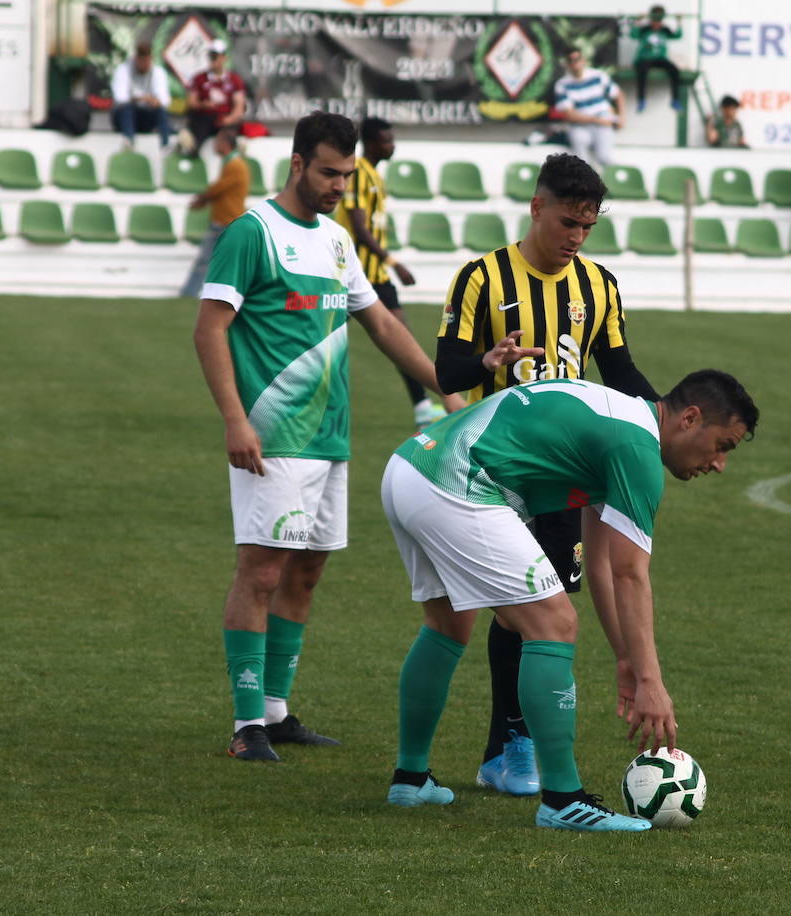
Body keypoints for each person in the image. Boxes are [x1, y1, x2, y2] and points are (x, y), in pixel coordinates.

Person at [192, 110, 464, 763]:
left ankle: (276, 712)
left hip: (330, 438)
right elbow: (209, 329)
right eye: (328, 172)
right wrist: (234, 419)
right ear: (297, 164)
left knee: (307, 571)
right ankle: (246, 724)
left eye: (346, 174)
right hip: (272, 437)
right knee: (261, 572)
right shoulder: (252, 232)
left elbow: (384, 325)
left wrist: (449, 390)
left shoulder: (339, 241)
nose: (339, 185)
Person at [381, 371, 759, 830]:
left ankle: (410, 779)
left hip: (409, 467)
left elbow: (600, 564)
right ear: (690, 418)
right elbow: (630, 573)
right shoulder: (636, 447)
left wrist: (626, 658)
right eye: (722, 446)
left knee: (447, 624)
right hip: (455, 482)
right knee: (554, 623)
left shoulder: (617, 421)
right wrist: (650, 681)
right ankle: (563, 800)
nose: (719, 464)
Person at [435, 152, 661, 798]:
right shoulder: (481, 278)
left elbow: (619, 371)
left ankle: (506, 747)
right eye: (568, 222)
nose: (577, 237)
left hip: (563, 477)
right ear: (537, 208)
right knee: (517, 611)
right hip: (494, 473)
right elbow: (447, 370)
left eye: (588, 226)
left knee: (542, 606)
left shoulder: (599, 285)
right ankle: (512, 743)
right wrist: (487, 360)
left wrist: (667, 413)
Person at [334, 117, 454, 430]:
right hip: (357, 273)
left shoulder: (373, 174)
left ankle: (423, 408)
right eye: (386, 141)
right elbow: (360, 229)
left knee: (401, 338)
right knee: (324, 338)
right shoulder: (358, 173)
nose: (392, 146)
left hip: (375, 275)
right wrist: (393, 262)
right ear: (372, 143)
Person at [179, 127, 248, 299]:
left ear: (225, 144)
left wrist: (202, 198)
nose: (215, 145)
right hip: (227, 220)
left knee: (206, 260)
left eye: (217, 141)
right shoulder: (232, 163)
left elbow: (219, 188)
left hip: (226, 221)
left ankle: (190, 292)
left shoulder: (235, 165)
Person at [551, 48, 624, 167]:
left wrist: (622, 118)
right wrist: (595, 120)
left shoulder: (598, 76)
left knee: (604, 158)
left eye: (577, 59)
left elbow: (618, 95)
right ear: (567, 64)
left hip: (603, 121)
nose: (575, 63)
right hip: (580, 125)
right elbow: (569, 115)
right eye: (571, 60)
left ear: (583, 60)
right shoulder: (562, 84)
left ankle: (612, 177)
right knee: (580, 162)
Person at [184, 40, 246, 156]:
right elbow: (191, 102)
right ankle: (193, 152)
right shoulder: (199, 78)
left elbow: (239, 107)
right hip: (205, 118)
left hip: (225, 119)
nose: (213, 60)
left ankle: (233, 156)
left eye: (216, 56)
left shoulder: (234, 79)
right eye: (211, 56)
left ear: (224, 58)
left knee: (230, 135)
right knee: (198, 129)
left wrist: (228, 119)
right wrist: (203, 104)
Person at [111, 42, 174, 150]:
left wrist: (155, 101)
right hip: (125, 117)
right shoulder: (123, 69)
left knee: (161, 111)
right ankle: (129, 143)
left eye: (147, 60)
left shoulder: (157, 72)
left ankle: (166, 145)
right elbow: (120, 98)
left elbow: (165, 100)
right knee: (126, 109)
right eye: (142, 60)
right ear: (136, 59)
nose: (145, 64)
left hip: (146, 116)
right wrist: (142, 98)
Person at [630, 5, 682, 112]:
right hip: (645, 58)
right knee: (642, 71)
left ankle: (675, 100)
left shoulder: (664, 30)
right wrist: (638, 21)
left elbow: (677, 35)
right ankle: (641, 100)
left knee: (674, 70)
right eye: (655, 20)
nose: (657, 23)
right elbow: (633, 34)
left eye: (659, 20)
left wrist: (679, 21)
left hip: (660, 59)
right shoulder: (645, 29)